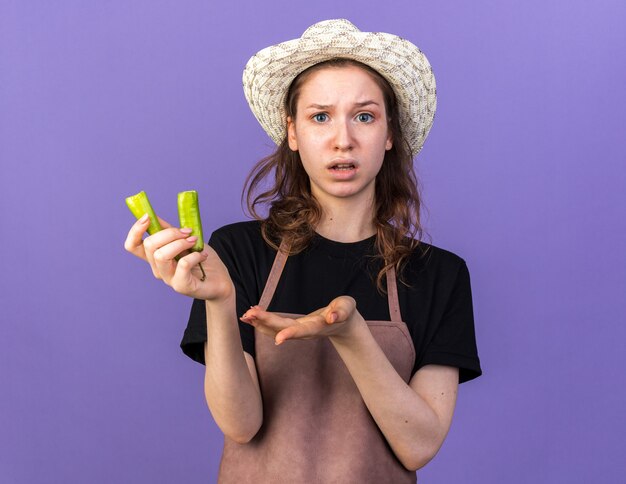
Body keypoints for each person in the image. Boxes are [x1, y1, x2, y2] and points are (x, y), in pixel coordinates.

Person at [125, 19, 481, 483]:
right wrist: (219, 301)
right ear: (292, 133)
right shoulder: (236, 252)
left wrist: (351, 335)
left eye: (365, 116)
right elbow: (241, 424)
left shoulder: (440, 275)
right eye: (320, 116)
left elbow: (418, 446)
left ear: (389, 134)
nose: (343, 139)